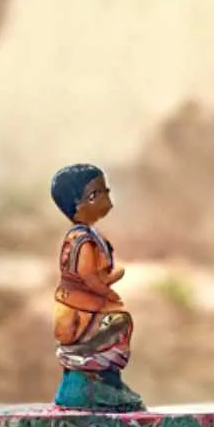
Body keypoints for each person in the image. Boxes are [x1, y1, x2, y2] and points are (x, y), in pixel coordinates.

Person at [48, 162, 142, 413]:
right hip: (79, 311)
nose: (107, 198)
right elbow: (88, 277)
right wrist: (107, 288)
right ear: (79, 204)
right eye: (97, 194)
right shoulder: (83, 240)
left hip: (86, 303)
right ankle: (93, 383)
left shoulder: (91, 235)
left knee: (120, 323)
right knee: (119, 322)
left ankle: (107, 382)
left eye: (106, 191)